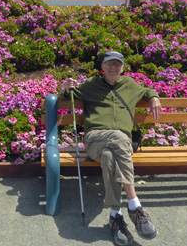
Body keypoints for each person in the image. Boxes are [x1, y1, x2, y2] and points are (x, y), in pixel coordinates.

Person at [60, 51, 161, 245]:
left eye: (117, 64)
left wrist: (154, 97)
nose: (113, 67)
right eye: (109, 64)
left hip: (116, 147)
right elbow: (67, 97)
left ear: (122, 68)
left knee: (109, 157)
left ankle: (116, 217)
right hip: (94, 140)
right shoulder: (91, 85)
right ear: (103, 67)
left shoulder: (129, 85)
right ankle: (135, 206)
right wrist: (66, 89)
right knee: (119, 137)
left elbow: (147, 91)